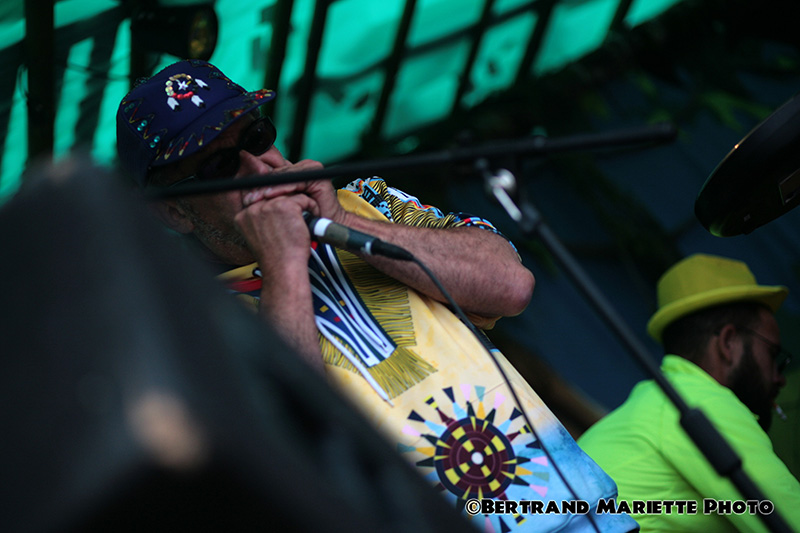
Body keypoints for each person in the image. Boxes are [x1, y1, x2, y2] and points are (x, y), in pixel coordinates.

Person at [116, 59, 637, 532]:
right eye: (218, 165)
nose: (258, 167)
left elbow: (511, 285)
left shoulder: (367, 200)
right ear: (172, 210)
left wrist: (340, 219)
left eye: (256, 136)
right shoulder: (190, 316)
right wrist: (282, 260)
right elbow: (291, 433)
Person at [578, 253, 800, 531]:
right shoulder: (699, 403)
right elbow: (788, 519)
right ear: (728, 343)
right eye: (772, 354)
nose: (779, 378)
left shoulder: (657, 403)